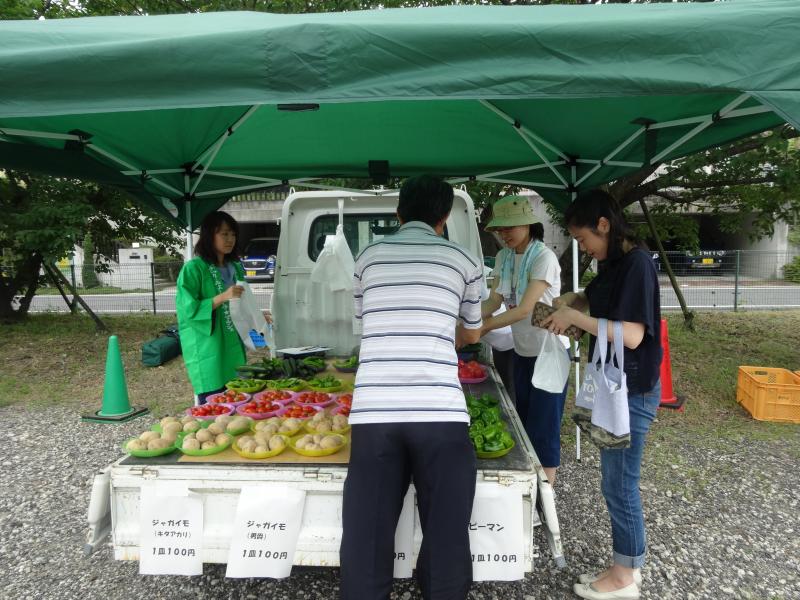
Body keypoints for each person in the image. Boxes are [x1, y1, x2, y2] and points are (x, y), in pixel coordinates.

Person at [339, 175, 483, 600]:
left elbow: (366, 324)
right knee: (447, 535)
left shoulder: (367, 257)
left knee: (367, 535)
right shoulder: (465, 260)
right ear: (443, 217)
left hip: (374, 415)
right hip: (441, 414)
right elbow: (472, 334)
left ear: (398, 213)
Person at [541, 189, 662, 600]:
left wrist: (575, 316)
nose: (582, 247)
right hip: (618, 388)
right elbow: (600, 302)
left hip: (632, 390)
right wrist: (576, 300)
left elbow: (631, 334)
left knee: (620, 484)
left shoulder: (638, 264)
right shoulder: (613, 264)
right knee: (615, 482)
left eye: (583, 239)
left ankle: (625, 576)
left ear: (604, 225)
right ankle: (625, 563)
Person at [478, 194, 568, 485]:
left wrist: (480, 329)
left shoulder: (543, 257)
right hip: (523, 349)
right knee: (524, 419)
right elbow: (494, 300)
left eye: (511, 227)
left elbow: (526, 309)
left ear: (529, 224)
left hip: (549, 352)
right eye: (500, 229)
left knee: (544, 426)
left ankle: (546, 495)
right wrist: (468, 319)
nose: (505, 234)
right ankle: (530, 486)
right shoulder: (504, 257)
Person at [176, 211, 246, 404]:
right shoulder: (193, 269)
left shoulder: (236, 266)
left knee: (236, 397)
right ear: (209, 235)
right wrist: (223, 297)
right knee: (213, 404)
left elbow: (242, 302)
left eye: (233, 234)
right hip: (208, 344)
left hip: (232, 339)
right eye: (224, 234)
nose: (230, 239)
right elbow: (188, 310)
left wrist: (256, 317)